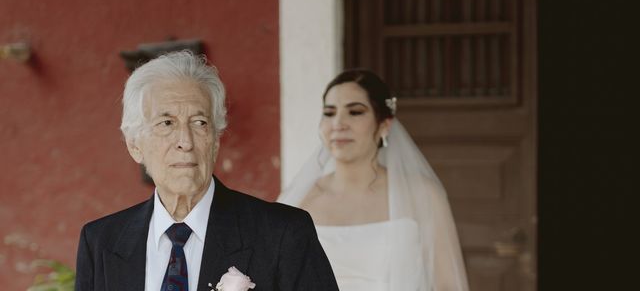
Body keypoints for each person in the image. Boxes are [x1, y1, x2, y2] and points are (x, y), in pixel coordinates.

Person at [75, 51, 338, 291]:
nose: (185, 142)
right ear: (134, 145)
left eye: (199, 123)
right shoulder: (101, 242)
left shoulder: (282, 234)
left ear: (215, 140)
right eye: (166, 123)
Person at [278, 69, 469, 291]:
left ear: (384, 125)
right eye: (329, 113)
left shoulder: (421, 193)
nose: (339, 123)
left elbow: (448, 284)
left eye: (355, 112)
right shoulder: (298, 199)